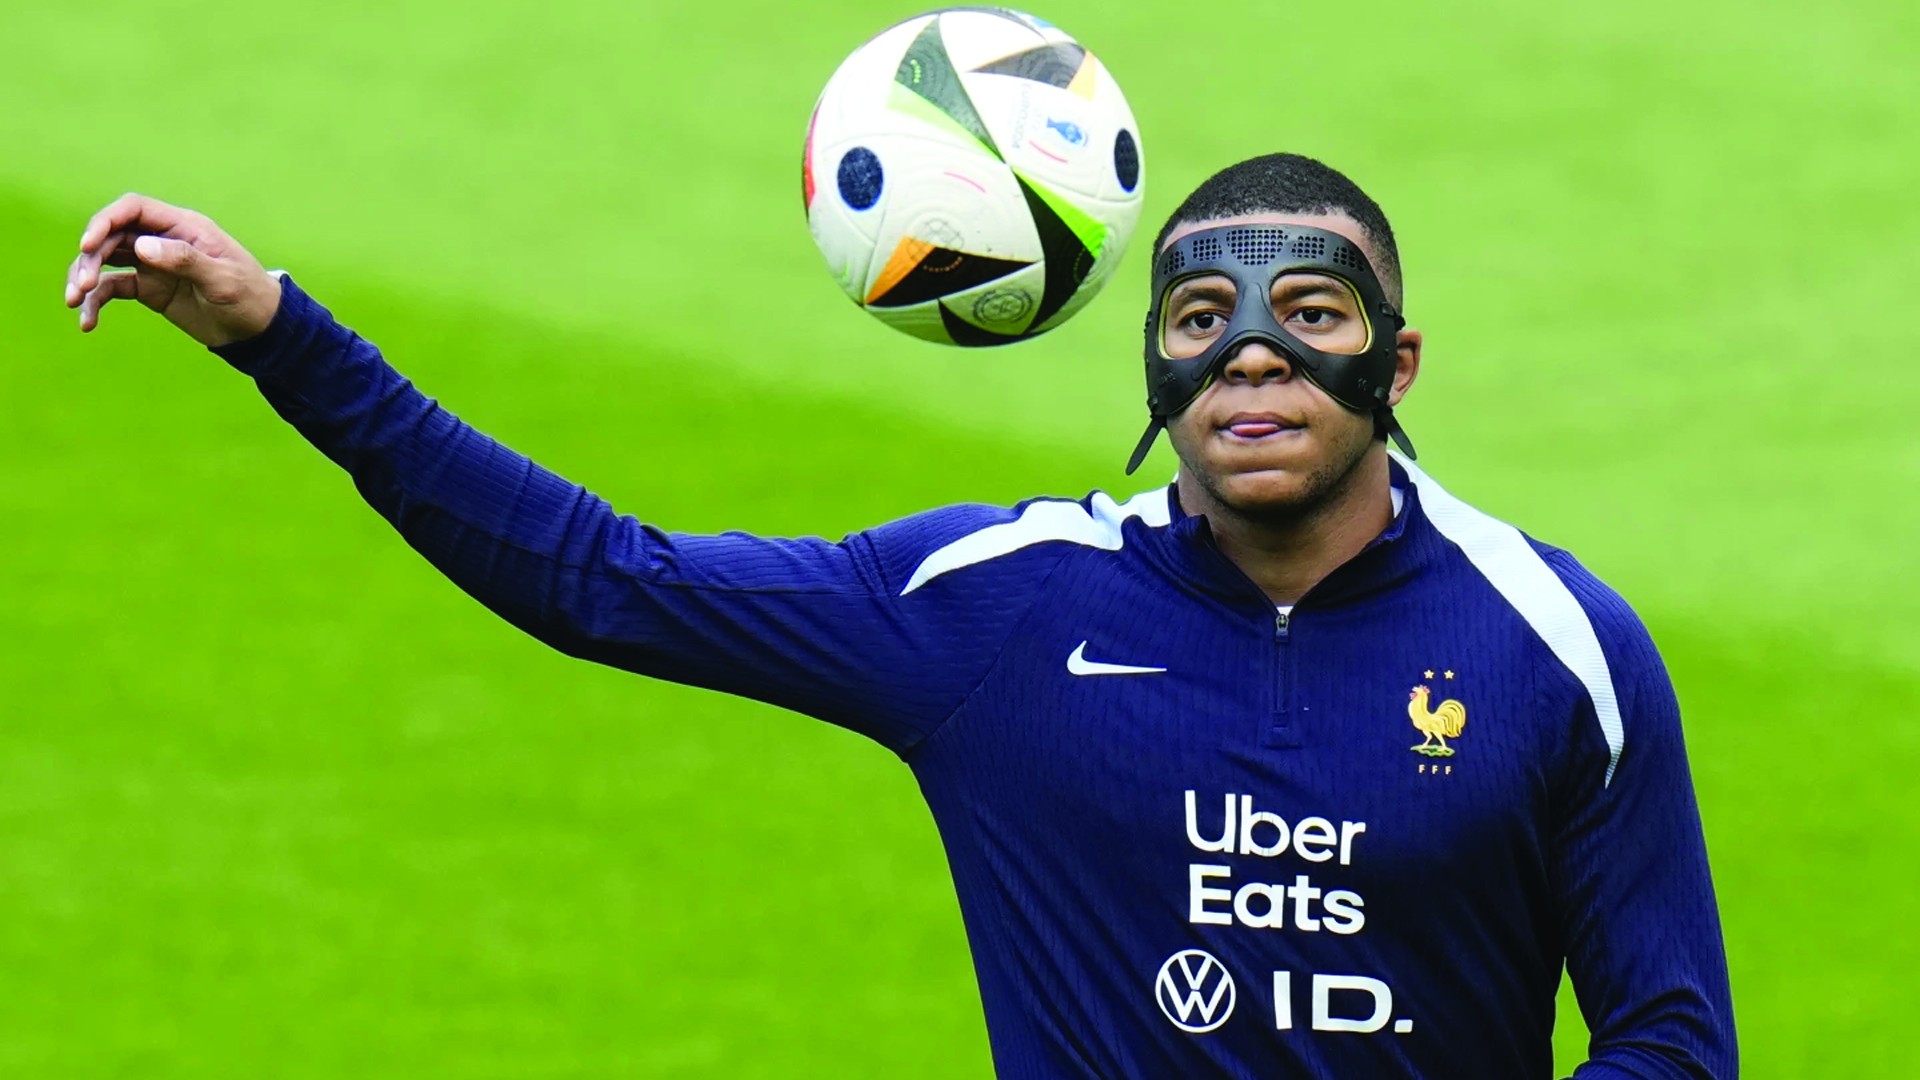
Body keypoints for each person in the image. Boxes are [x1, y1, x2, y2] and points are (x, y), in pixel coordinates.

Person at [63, 153, 1735, 1078]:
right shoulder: (996, 613)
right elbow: (599, 578)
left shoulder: (1556, 647)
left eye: (1311, 314)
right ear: (1150, 365)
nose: (1251, 356)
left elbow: (1669, 1037)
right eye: (1199, 319)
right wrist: (279, 336)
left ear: (1397, 361)